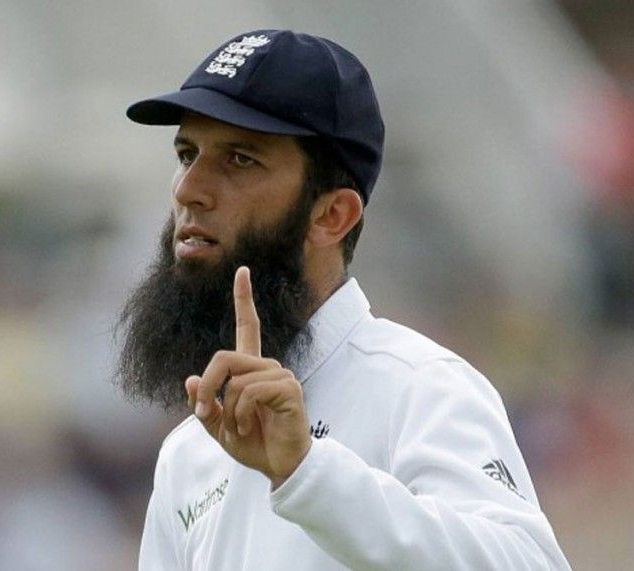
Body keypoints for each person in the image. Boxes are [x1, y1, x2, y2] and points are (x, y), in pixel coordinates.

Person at [117, 29, 571, 570]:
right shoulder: (188, 454)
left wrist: (307, 471)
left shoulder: (420, 388)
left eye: (240, 159)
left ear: (332, 216)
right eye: (187, 153)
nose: (188, 189)